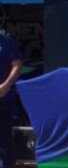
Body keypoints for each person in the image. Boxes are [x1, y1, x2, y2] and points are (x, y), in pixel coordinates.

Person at [0, 29, 23, 168]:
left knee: (4, 138)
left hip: (3, 98)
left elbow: (17, 64)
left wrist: (7, 84)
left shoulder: (7, 41)